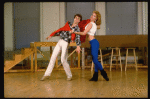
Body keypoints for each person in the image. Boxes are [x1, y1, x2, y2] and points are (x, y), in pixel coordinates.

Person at [41, 14, 82, 81]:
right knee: (53, 57)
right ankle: (47, 74)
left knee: (63, 59)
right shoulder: (68, 25)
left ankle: (69, 75)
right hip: (60, 41)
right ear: (74, 18)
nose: (76, 19)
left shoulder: (77, 29)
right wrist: (51, 35)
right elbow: (60, 31)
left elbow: (77, 38)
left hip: (66, 43)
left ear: (79, 21)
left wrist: (78, 46)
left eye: (78, 18)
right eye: (76, 18)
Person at [70, 11, 109, 81]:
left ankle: (104, 73)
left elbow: (84, 33)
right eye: (92, 15)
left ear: (96, 19)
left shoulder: (91, 24)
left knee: (95, 60)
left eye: (94, 16)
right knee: (95, 60)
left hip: (94, 42)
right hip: (93, 42)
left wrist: (74, 32)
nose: (91, 16)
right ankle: (95, 76)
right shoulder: (92, 24)